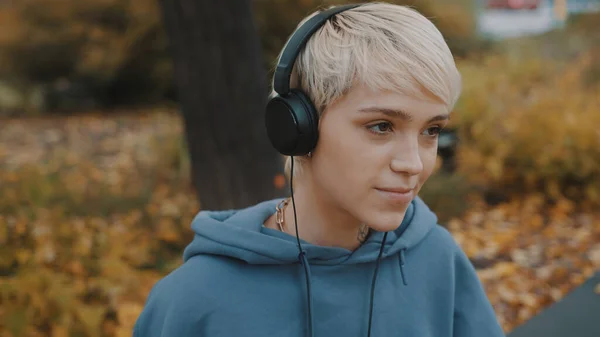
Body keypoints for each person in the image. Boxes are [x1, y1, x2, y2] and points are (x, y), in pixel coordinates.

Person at [133, 2, 506, 337]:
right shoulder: (194, 300)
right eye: (381, 126)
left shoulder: (437, 259)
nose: (413, 163)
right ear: (298, 128)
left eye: (431, 131)